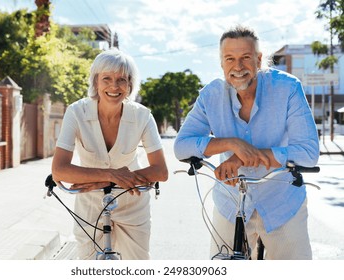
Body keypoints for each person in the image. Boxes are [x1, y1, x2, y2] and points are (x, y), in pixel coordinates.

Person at [174, 25, 319, 260]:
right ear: (221, 63)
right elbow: (181, 146)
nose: (238, 67)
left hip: (281, 201)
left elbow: (309, 152)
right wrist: (231, 143)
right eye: (230, 59)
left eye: (246, 58)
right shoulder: (211, 95)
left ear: (259, 60)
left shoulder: (288, 88)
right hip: (230, 203)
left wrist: (241, 156)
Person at [52, 48, 168, 260]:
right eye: (106, 78)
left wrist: (102, 180)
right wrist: (110, 176)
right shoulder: (76, 112)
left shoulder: (142, 116)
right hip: (89, 205)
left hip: (131, 202)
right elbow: (59, 170)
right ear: (96, 82)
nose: (114, 86)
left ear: (130, 84)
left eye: (122, 80)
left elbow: (161, 171)